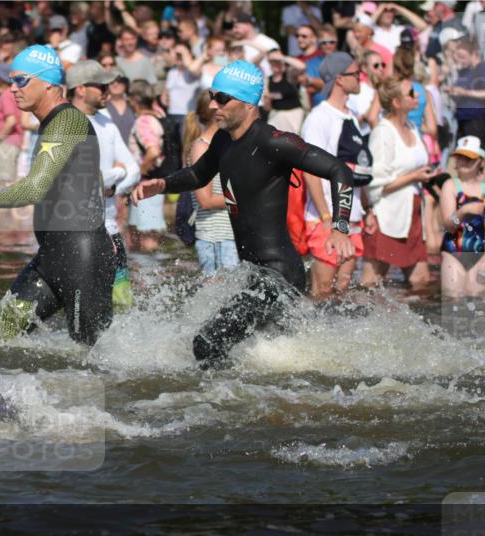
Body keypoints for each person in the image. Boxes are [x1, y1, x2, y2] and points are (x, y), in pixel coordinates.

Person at [131, 60, 356, 367]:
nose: (212, 105)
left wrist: (340, 226)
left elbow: (338, 169)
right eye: (212, 96)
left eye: (222, 98)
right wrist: (163, 184)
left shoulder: (274, 141)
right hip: (252, 272)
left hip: (279, 276)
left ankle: (221, 407)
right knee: (269, 358)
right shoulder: (223, 140)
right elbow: (198, 174)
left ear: (249, 103)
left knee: (207, 343)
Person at [0, 45, 114, 346]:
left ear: (50, 84)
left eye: (21, 81)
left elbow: (33, 188)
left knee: (89, 362)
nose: (13, 89)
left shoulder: (66, 121)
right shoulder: (52, 125)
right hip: (52, 258)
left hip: (84, 259)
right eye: (11, 81)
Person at [66, 60, 140, 310]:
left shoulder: (107, 123)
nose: (108, 91)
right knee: (80, 306)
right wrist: (115, 174)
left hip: (110, 229)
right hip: (76, 233)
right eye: (101, 86)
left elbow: (135, 170)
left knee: (123, 304)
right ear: (80, 89)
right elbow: (78, 179)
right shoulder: (65, 123)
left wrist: (113, 187)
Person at [301, 53, 374, 298]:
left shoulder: (350, 114)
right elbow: (310, 172)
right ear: (340, 79)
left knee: (342, 290)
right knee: (322, 291)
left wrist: (367, 208)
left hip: (351, 217)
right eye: (356, 73)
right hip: (327, 217)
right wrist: (325, 217)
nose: (360, 77)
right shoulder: (319, 118)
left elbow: (356, 167)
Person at [360, 76, 439, 291]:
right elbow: (374, 184)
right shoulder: (383, 132)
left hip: (413, 212)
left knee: (421, 281)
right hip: (386, 216)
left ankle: (412, 322)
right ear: (396, 102)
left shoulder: (413, 126)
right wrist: (414, 177)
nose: (417, 97)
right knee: (370, 284)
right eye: (411, 94)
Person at [182, 90, 239, 278]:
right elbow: (205, 200)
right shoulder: (201, 147)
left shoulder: (227, 144)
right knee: (220, 296)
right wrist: (246, 196)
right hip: (216, 238)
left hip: (229, 235)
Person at [438, 135, 485, 298]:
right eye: (460, 157)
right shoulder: (450, 186)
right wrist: (462, 211)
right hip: (453, 254)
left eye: (468, 158)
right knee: (453, 300)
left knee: (477, 302)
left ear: (481, 162)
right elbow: (449, 225)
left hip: (479, 255)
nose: (463, 161)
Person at [127, 80, 169, 253]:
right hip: (154, 184)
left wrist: (140, 171)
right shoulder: (158, 114)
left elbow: (153, 152)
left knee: (146, 240)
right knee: (140, 236)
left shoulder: (143, 121)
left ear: (134, 100)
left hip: (147, 184)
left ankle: (149, 277)